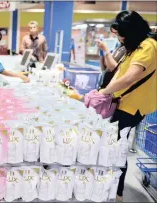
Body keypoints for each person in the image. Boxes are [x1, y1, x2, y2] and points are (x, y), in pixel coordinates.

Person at [98, 11, 157, 201]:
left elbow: (130, 77)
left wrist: (103, 92)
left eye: (121, 34)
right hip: (123, 102)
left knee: (118, 148)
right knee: (114, 145)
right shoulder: (134, 46)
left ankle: (118, 193)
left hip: (132, 106)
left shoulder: (148, 47)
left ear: (131, 32)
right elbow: (118, 71)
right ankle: (113, 187)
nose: (120, 38)